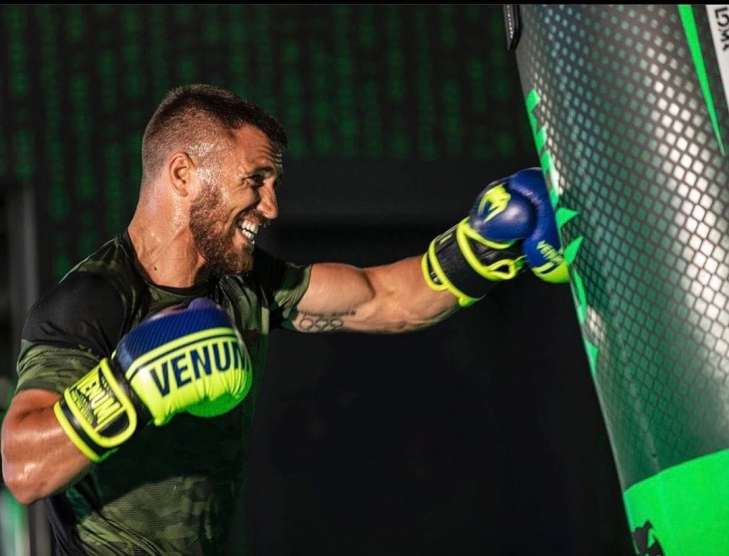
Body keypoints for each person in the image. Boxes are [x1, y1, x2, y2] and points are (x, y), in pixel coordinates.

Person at [0, 84, 567, 555]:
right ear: (183, 174)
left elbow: (382, 298)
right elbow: (24, 468)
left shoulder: (245, 283)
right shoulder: (91, 301)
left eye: (273, 184)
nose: (271, 206)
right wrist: (135, 387)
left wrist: (483, 246)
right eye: (255, 180)